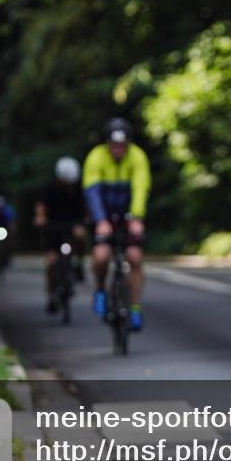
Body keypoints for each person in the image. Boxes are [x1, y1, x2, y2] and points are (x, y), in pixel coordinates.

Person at [83, 118, 151, 331]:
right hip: (104, 215)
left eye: (123, 145)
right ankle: (101, 290)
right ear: (107, 144)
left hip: (128, 216)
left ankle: (135, 309)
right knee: (102, 256)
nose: (119, 150)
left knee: (134, 258)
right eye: (114, 145)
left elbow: (141, 187)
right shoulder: (96, 157)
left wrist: (137, 218)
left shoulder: (137, 156)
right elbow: (92, 192)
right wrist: (100, 220)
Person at [34, 156, 88, 314]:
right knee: (51, 263)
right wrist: (41, 219)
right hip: (53, 228)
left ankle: (79, 262)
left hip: (72, 226)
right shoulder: (50, 188)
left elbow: (86, 208)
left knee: (81, 236)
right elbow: (41, 207)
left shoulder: (79, 188)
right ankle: (51, 295)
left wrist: (86, 221)